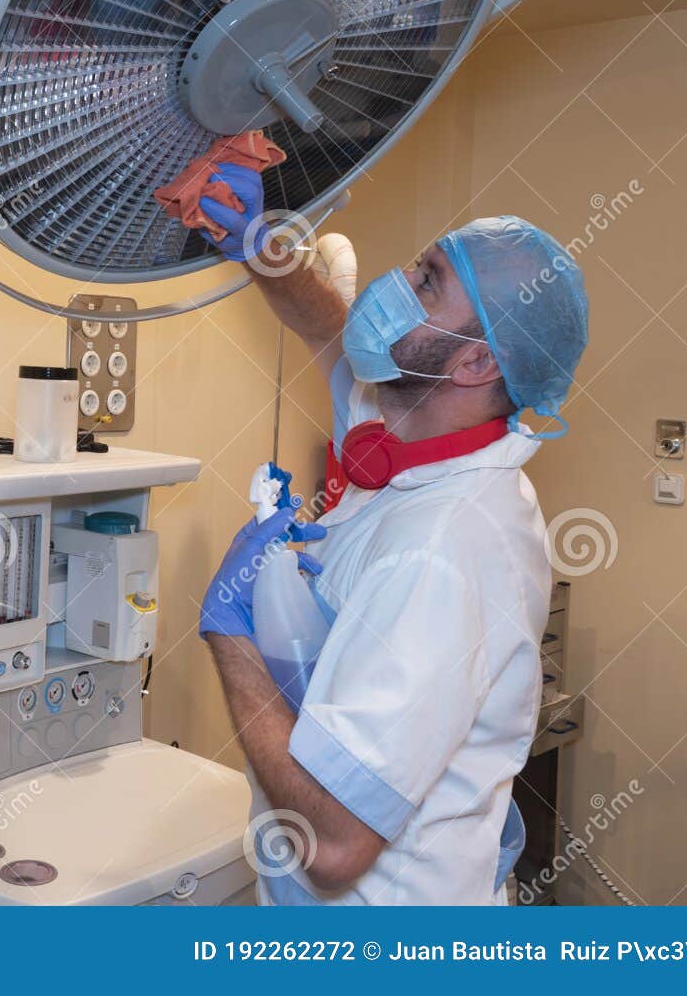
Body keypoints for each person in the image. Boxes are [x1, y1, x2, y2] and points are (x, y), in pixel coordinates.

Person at [194, 164, 589, 904]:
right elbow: (328, 327)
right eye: (418, 262)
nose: (396, 285)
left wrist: (230, 633)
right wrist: (256, 242)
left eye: (428, 282)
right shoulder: (406, 428)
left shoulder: (443, 550)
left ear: (473, 362)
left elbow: (337, 845)